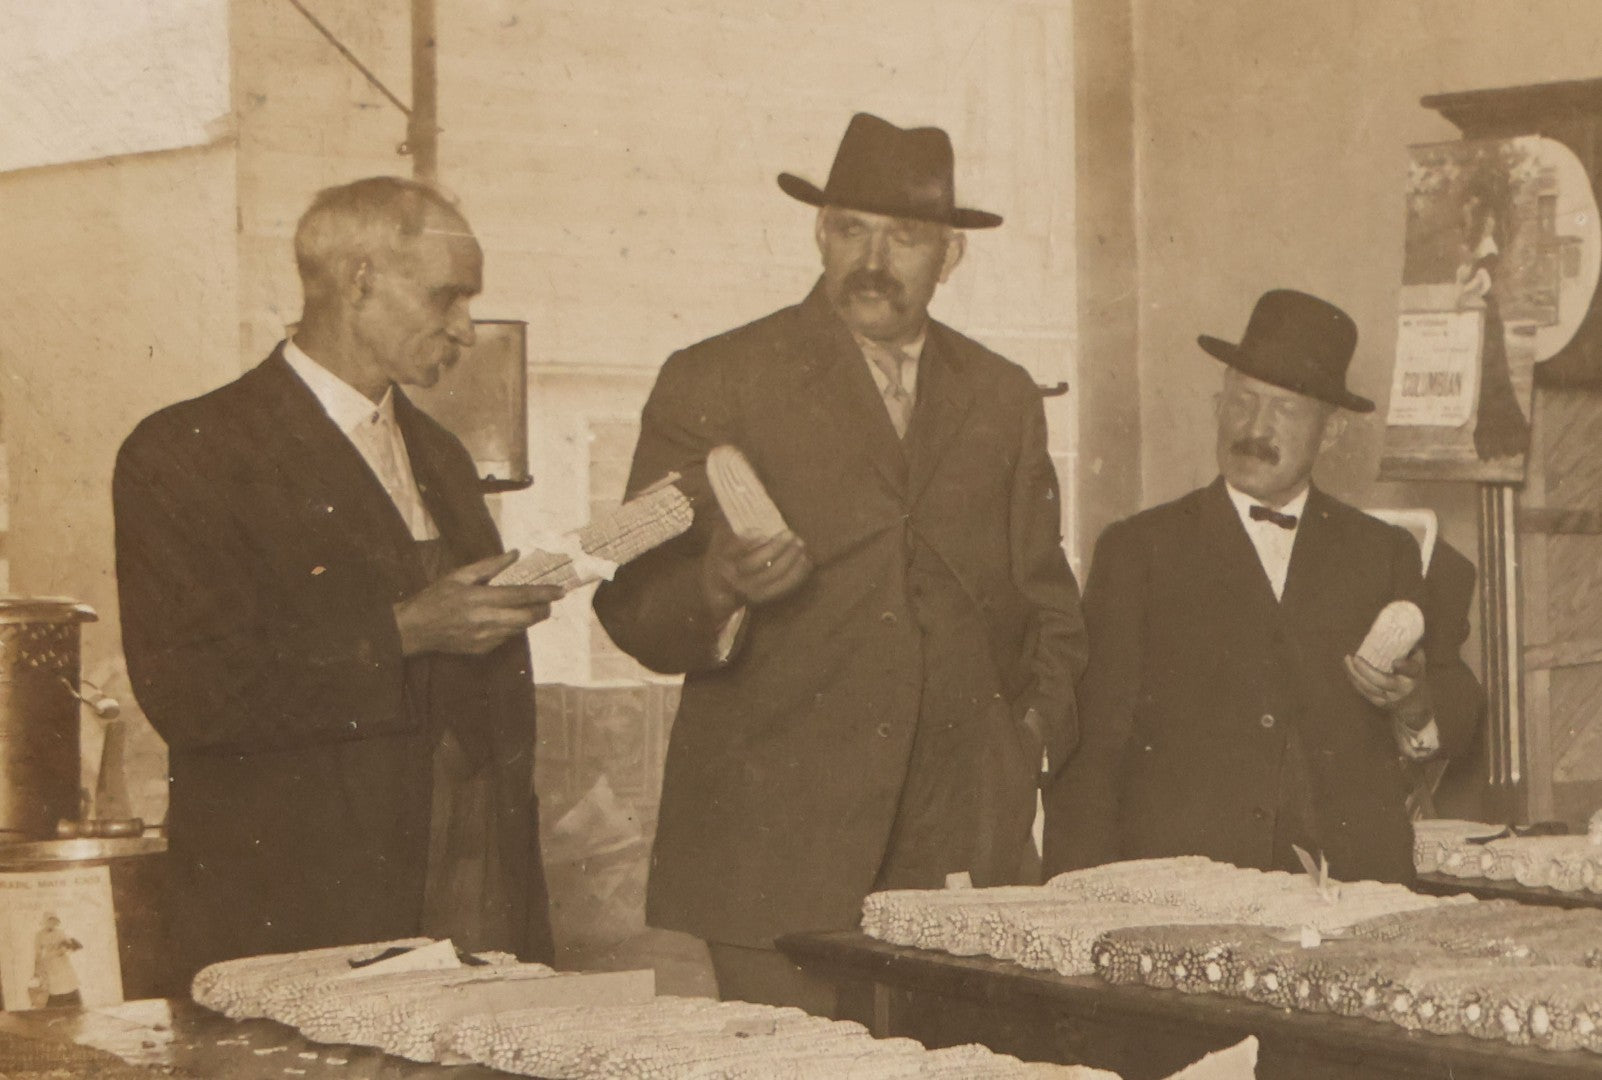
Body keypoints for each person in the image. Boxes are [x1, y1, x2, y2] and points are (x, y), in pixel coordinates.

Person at [593, 112, 1087, 1013]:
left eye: (905, 238)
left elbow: (1044, 602)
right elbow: (627, 597)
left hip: (958, 853)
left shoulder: (1003, 396)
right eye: (851, 229)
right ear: (820, 233)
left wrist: (1024, 749)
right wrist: (721, 585)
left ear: (951, 256)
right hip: (773, 854)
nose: (873, 260)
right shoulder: (714, 377)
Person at [114, 177, 557, 980]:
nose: (465, 327)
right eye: (446, 296)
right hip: (300, 909)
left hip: (461, 896)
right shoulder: (188, 451)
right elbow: (190, 692)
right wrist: (405, 631)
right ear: (359, 281)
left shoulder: (443, 458)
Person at [1044, 289, 1481, 885]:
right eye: (1243, 402)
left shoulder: (1384, 553)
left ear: (1329, 434)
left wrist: (1413, 703)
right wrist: (1074, 899)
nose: (1255, 427)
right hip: (1183, 898)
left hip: (1350, 891)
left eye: (1285, 411)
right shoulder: (1139, 551)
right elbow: (1090, 756)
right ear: (1216, 406)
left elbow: (1457, 699)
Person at [31, 914, 82, 1009]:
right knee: (53, 987)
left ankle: (72, 1003)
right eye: (50, 921)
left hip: (62, 961)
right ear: (45, 921)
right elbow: (38, 953)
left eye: (54, 921)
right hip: (49, 962)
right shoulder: (39, 935)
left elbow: (70, 945)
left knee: (68, 984)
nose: (52, 923)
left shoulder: (60, 932)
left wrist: (66, 948)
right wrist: (37, 969)